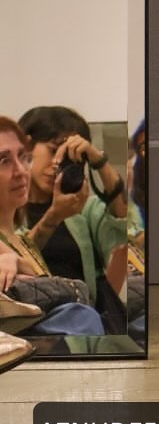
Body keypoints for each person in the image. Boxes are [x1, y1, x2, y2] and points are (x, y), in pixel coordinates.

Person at [18, 105, 128, 331]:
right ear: (27, 149)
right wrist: (53, 217)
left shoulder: (81, 208)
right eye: (53, 150)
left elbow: (121, 233)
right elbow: (16, 258)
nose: (56, 164)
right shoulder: (9, 209)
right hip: (26, 321)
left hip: (83, 318)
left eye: (67, 157)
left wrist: (98, 160)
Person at [0, 115, 106, 338]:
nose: (20, 171)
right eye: (3, 161)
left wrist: (18, 262)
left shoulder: (21, 239)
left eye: (22, 157)